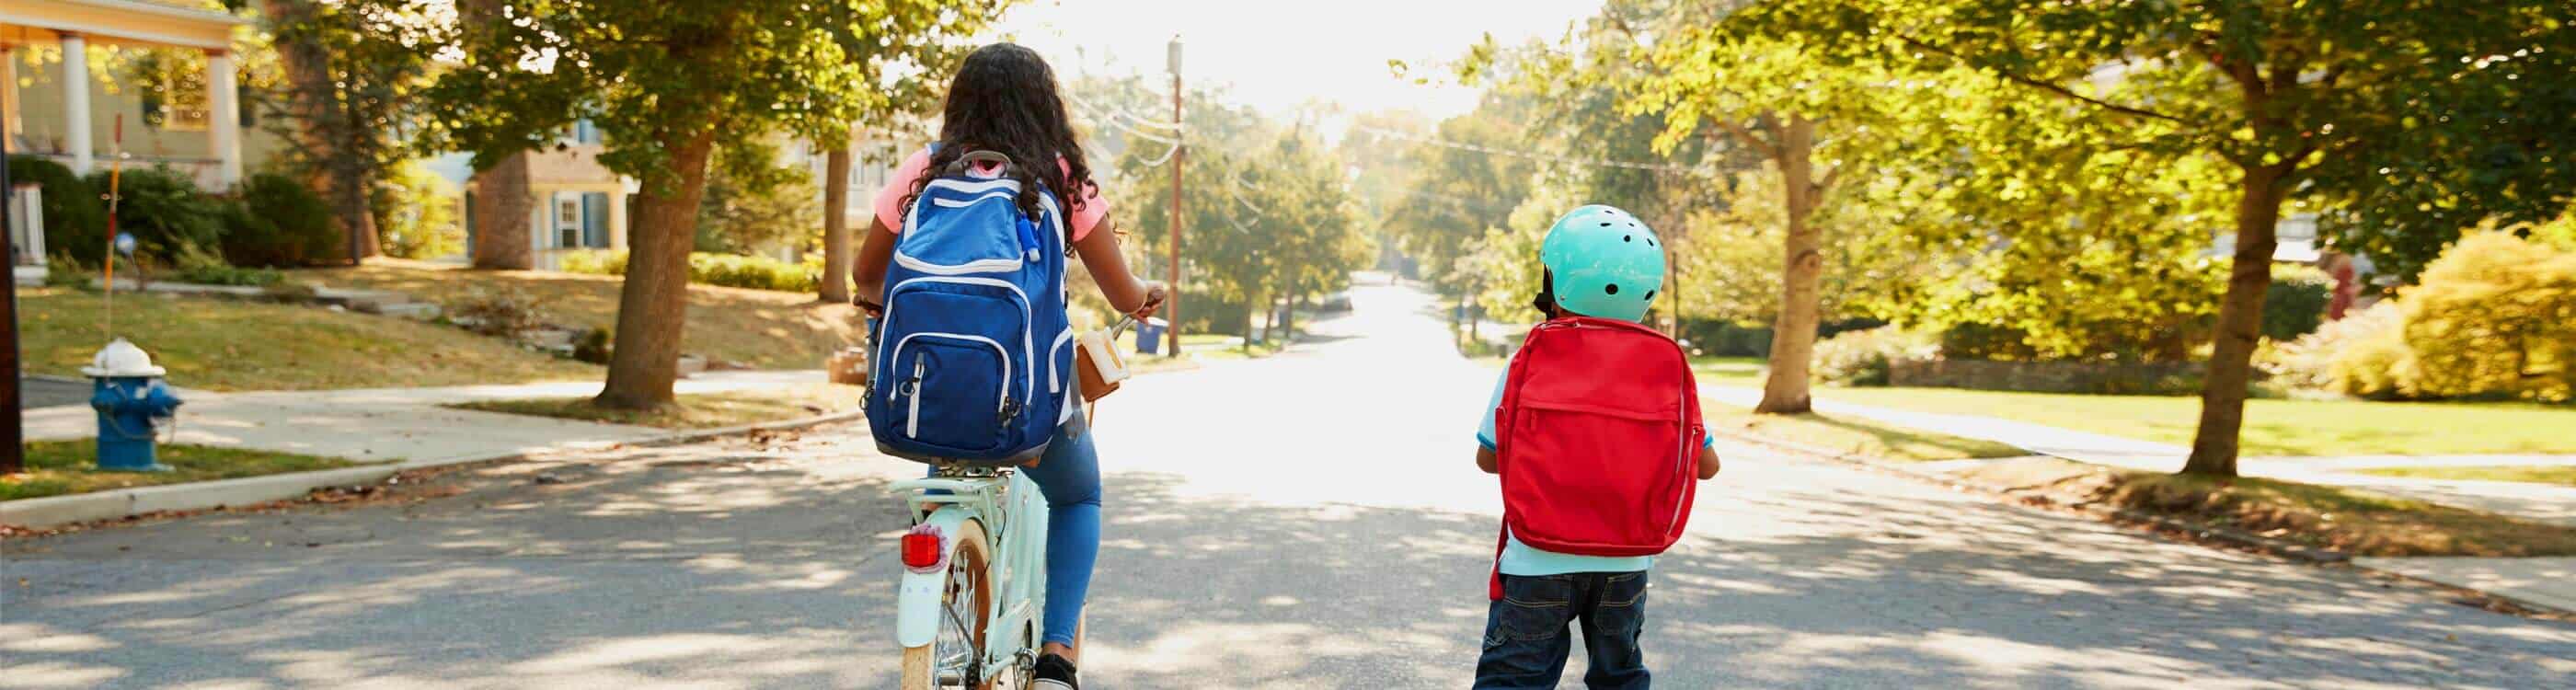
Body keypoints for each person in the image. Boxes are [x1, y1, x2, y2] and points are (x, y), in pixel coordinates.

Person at [852, 42, 1165, 690]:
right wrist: (1147, 296)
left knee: (949, 458)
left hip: (927, 397)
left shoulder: (924, 172)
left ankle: (952, 592)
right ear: (1043, 106)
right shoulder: (1057, 179)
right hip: (1033, 403)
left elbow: (866, 273)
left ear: (959, 103)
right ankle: (1056, 658)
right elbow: (1121, 293)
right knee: (1079, 497)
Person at [1472, 205, 1722, 689]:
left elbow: (1489, 458)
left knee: (1515, 677)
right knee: (1620, 676)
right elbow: (1705, 466)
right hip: (1626, 562)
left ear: (1556, 282)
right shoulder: (1663, 365)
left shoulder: (1532, 355)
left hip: (1536, 557)